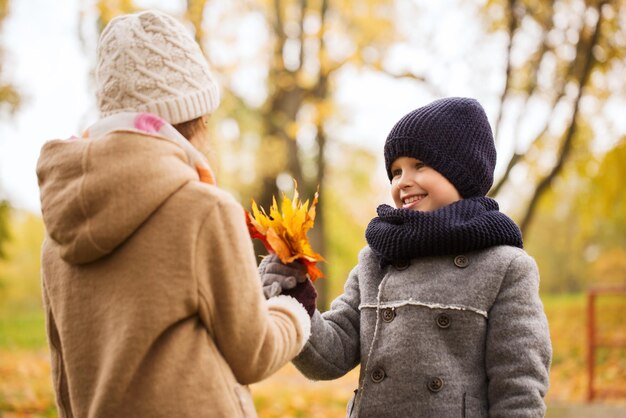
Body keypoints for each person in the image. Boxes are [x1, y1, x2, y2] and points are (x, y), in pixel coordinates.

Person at [36, 10, 311, 418]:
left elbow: (64, 386)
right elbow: (253, 354)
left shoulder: (56, 239)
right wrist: (292, 306)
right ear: (197, 118)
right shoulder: (205, 211)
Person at [261, 97, 552, 417]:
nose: (403, 181)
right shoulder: (375, 260)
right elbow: (332, 355)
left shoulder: (505, 267)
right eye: (396, 171)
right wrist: (296, 299)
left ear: (462, 173)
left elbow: (518, 386)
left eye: (420, 165)